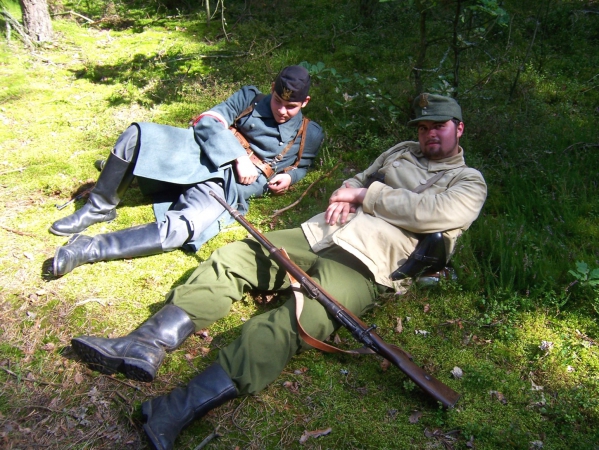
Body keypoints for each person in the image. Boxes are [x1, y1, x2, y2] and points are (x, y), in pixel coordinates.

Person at [70, 93, 487, 450]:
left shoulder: (469, 182)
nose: (430, 133)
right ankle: (142, 344)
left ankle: (173, 410)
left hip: (368, 264)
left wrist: (364, 194)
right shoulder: (400, 151)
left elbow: (430, 212)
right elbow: (360, 177)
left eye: (439, 126)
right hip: (319, 233)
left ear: (459, 129)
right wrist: (346, 189)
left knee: (287, 325)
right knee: (236, 256)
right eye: (424, 127)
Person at [49, 65, 324, 277]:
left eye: (292, 106)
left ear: (306, 102)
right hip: (201, 156)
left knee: (181, 230)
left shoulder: (308, 133)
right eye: (278, 101)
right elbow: (208, 120)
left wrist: (289, 176)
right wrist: (237, 155)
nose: (282, 111)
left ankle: (87, 248)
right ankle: (100, 206)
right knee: (137, 135)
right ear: (273, 89)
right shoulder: (250, 99)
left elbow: (302, 166)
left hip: (224, 186)